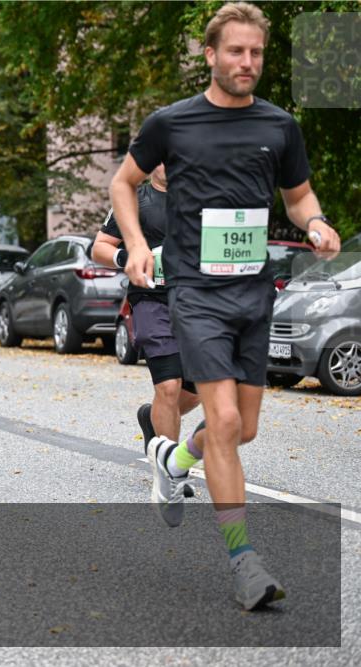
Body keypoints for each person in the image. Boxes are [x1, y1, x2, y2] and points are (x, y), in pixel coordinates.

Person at [109, 2, 341, 611]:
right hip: (196, 294)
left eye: (256, 52)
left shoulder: (279, 126)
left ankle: (173, 459)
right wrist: (137, 244)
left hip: (253, 294)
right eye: (236, 51)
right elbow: (122, 183)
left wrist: (315, 222)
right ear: (210, 54)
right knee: (228, 422)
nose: (247, 62)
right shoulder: (172, 123)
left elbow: (298, 195)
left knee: (245, 428)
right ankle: (245, 562)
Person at [92, 166, 203, 452]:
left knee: (195, 391)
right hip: (150, 299)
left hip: (195, 304)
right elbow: (100, 247)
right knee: (168, 386)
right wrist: (127, 256)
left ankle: (153, 418)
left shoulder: (201, 198)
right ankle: (169, 466)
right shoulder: (134, 200)